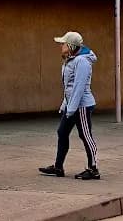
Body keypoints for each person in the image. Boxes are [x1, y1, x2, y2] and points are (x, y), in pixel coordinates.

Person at [39, 31, 100, 180]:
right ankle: (58, 167)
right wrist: (65, 105)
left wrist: (71, 109)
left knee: (85, 135)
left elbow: (79, 87)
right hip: (72, 105)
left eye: (63, 44)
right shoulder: (70, 60)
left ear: (71, 46)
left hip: (82, 105)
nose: (61, 46)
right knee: (62, 133)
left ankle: (93, 169)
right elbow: (69, 87)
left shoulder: (82, 62)